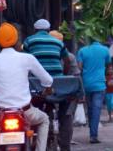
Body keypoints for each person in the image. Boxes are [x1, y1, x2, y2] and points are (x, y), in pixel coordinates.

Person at [0, 23, 53, 151]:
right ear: (16, 41)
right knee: (44, 120)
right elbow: (48, 80)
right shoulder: (27, 58)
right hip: (26, 112)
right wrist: (48, 88)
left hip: (0, 114)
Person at [24, 19, 74, 151]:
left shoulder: (29, 41)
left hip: (37, 84)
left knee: (33, 108)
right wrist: (63, 74)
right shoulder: (58, 42)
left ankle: (34, 139)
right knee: (65, 113)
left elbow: (24, 60)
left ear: (35, 30)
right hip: (58, 83)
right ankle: (65, 146)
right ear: (48, 30)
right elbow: (67, 61)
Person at [76, 40, 111, 143]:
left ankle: (92, 131)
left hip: (86, 85)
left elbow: (79, 68)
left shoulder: (82, 50)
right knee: (96, 110)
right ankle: (93, 135)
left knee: (90, 109)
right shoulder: (105, 50)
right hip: (99, 84)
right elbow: (109, 65)